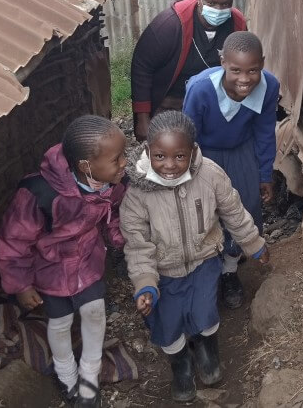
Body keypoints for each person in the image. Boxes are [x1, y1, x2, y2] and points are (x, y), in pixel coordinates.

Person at [120, 111, 269, 403]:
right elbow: (137, 244)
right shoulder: (137, 193)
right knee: (168, 323)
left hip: (204, 263)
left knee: (205, 314)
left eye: (180, 156)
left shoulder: (210, 174)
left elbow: (234, 213)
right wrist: (145, 283)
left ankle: (207, 350)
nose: (170, 165)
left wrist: (254, 243)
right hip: (163, 272)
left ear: (193, 151)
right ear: (148, 150)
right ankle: (181, 368)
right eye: (160, 156)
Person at [0, 116, 128, 408]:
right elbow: (14, 241)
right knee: (60, 322)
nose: (124, 164)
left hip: (88, 261)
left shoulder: (112, 184)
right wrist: (21, 285)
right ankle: (67, 375)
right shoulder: (40, 194)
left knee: (95, 313)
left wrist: (123, 243)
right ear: (85, 166)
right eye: (117, 158)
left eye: (124, 155)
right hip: (50, 269)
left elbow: (115, 217)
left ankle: (89, 376)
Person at [182, 31, 279, 309]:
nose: (245, 79)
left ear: (262, 62)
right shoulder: (200, 89)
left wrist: (263, 174)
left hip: (241, 151)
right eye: (236, 69)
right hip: (204, 154)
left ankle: (230, 270)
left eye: (253, 70)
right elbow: (188, 137)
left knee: (245, 207)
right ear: (222, 61)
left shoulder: (269, 86)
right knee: (206, 210)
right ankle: (206, 272)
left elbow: (264, 132)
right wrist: (188, 176)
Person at [131, 0, 247, 142]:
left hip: (211, 106)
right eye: (212, 3)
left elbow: (244, 64)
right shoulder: (170, 25)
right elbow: (142, 66)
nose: (218, 9)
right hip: (170, 106)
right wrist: (143, 119)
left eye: (225, 4)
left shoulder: (237, 24)